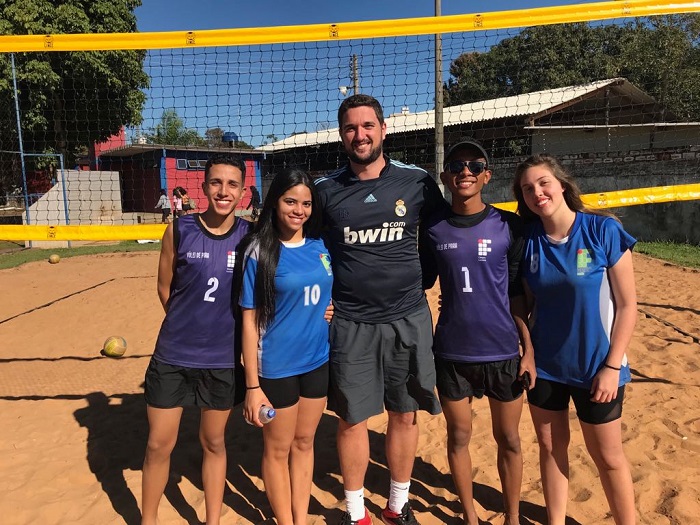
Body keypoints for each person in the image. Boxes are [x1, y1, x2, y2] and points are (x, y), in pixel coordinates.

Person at [314, 94, 443, 525]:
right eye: (351, 128)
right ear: (341, 135)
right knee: (352, 419)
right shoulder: (325, 190)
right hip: (351, 321)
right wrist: (320, 299)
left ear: (383, 130)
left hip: (408, 315)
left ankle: (397, 507)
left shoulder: (418, 182)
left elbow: (449, 232)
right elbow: (303, 248)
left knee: (404, 414)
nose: (360, 135)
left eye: (368, 126)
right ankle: (356, 514)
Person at [512, 153, 637, 525]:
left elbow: (629, 306)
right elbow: (527, 304)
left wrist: (612, 366)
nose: (537, 192)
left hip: (597, 366)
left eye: (543, 183)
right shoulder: (528, 241)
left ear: (561, 185)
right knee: (551, 450)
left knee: (608, 457)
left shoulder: (602, 230)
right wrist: (528, 353)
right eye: (527, 188)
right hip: (547, 366)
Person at [422, 140, 535, 525]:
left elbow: (519, 293)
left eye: (474, 164)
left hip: (503, 350)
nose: (465, 171)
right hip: (453, 352)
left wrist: (529, 350)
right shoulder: (433, 229)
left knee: (511, 440)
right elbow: (414, 280)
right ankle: (470, 516)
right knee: (458, 437)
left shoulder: (509, 225)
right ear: (445, 177)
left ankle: (513, 516)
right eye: (456, 166)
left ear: (487, 174)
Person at [141, 154, 251, 525]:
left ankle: (212, 520)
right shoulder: (179, 229)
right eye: (216, 183)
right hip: (173, 355)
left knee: (214, 443)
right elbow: (163, 285)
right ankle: (149, 519)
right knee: (159, 443)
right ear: (203, 187)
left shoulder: (250, 236)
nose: (223, 191)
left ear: (243, 193)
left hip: (221, 360)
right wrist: (185, 324)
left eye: (232, 184)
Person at [239, 168, 332, 525]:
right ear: (275, 202)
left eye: (306, 203)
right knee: (277, 450)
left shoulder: (319, 245)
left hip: (317, 361)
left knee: (304, 443)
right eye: (290, 201)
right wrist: (252, 386)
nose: (299, 209)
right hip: (277, 366)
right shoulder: (259, 251)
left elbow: (320, 292)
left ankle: (300, 516)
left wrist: (330, 306)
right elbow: (249, 321)